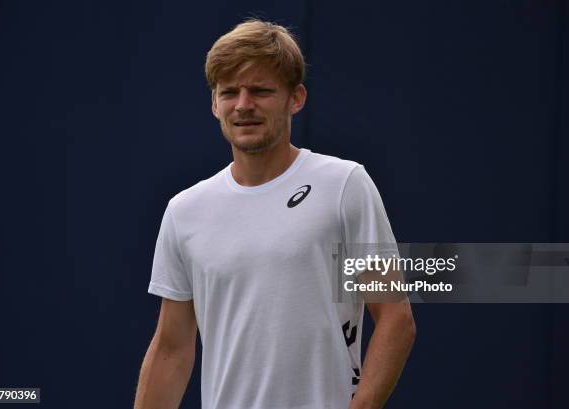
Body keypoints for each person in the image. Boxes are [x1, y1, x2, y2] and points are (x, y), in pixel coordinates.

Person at [134, 19, 416, 409]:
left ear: (295, 98)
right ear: (215, 104)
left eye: (261, 91)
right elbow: (172, 348)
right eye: (229, 92)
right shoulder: (184, 211)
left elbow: (395, 318)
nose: (244, 105)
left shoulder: (345, 184)